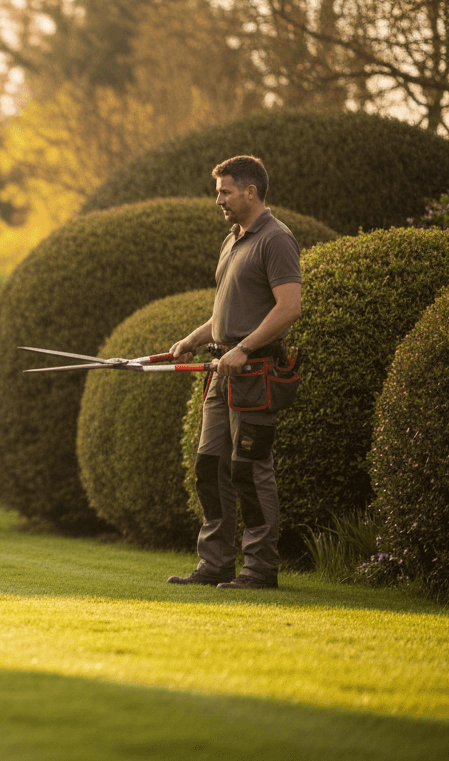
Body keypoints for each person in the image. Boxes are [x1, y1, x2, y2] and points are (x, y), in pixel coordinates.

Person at [167, 155, 302, 590]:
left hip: (256, 375)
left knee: (249, 469)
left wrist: (244, 348)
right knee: (209, 466)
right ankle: (216, 563)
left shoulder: (276, 239)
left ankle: (260, 569)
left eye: (225, 191)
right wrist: (192, 338)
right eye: (218, 192)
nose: (219, 200)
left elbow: (289, 308)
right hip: (223, 373)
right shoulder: (232, 240)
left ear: (250, 191)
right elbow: (226, 311)